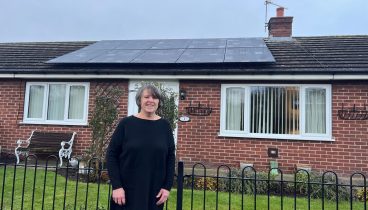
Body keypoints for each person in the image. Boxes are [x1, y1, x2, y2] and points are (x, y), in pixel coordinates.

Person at [106, 84, 176, 210]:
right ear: (139, 100)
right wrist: (117, 186)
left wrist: (167, 187)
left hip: (155, 193)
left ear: (158, 102)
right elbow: (111, 155)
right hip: (125, 193)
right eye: (146, 97)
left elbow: (170, 158)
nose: (150, 100)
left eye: (154, 97)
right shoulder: (126, 124)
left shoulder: (165, 126)